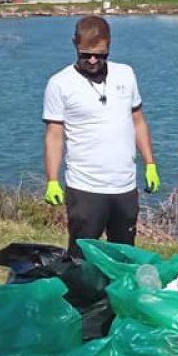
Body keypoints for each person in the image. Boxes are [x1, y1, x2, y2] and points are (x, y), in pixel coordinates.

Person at [42, 15, 159, 257]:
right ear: (75, 44)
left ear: (109, 45)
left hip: (124, 187)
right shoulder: (60, 83)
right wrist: (52, 179)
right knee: (81, 259)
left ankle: (117, 295)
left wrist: (150, 164)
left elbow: (138, 121)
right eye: (86, 54)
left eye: (100, 54)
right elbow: (54, 135)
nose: (93, 60)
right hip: (85, 187)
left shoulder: (126, 74)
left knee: (124, 256)